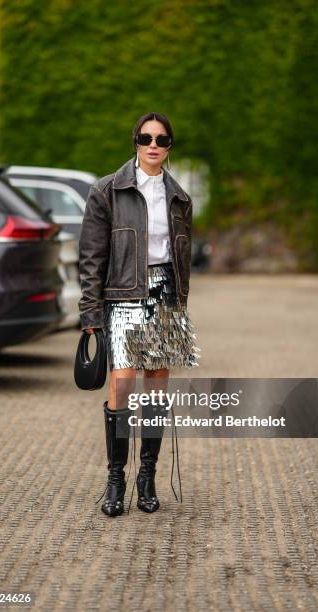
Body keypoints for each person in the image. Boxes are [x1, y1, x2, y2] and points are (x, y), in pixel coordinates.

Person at [78, 111, 201, 517]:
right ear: (135, 141)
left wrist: (180, 306)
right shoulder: (107, 191)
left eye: (162, 140)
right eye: (146, 138)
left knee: (156, 388)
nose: (153, 145)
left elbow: (180, 258)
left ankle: (147, 476)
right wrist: (90, 312)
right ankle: (116, 479)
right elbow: (92, 258)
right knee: (123, 384)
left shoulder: (179, 196)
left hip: (165, 293)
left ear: (169, 146)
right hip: (124, 295)